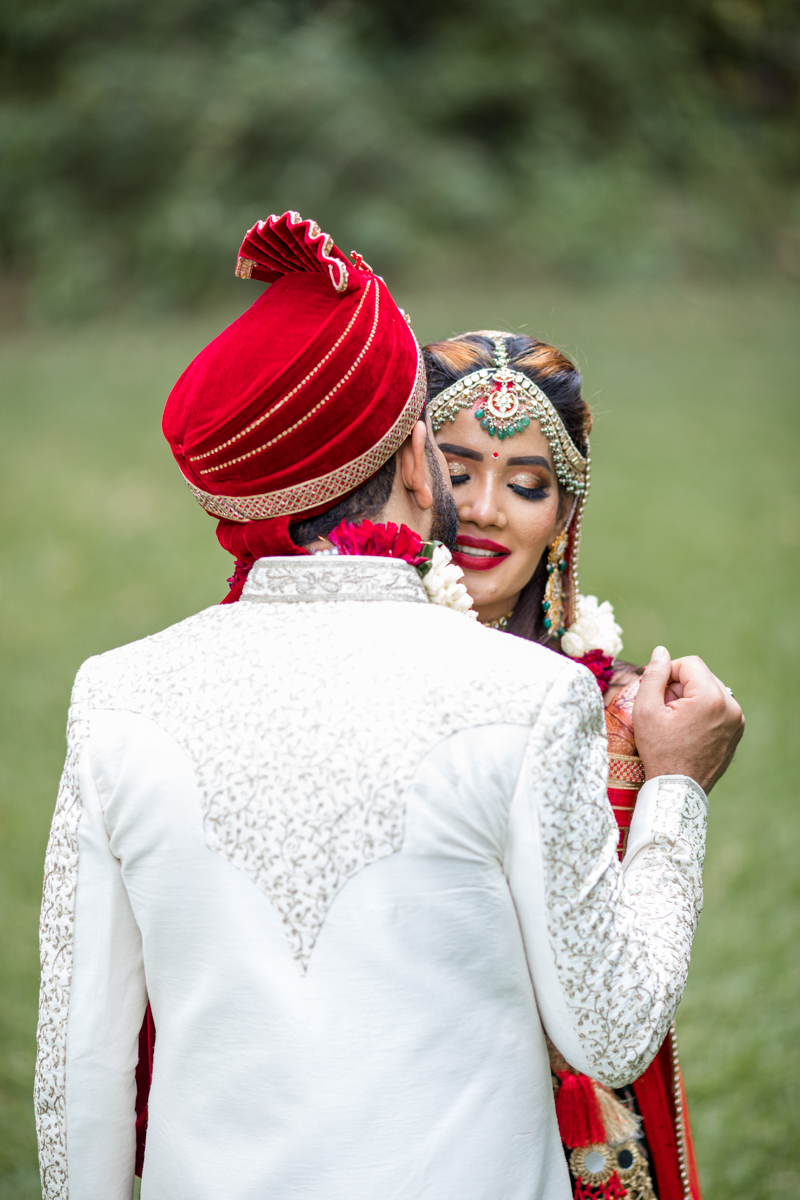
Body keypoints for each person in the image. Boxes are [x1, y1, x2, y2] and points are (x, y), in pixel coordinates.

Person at [34, 213, 743, 1200]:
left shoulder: (115, 696)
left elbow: (86, 1080)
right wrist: (672, 789)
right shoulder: (525, 696)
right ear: (417, 459)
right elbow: (613, 1027)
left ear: (232, 500)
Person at [426, 329, 743, 1199]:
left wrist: (672, 781)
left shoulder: (624, 713)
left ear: (565, 515)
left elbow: (630, 995)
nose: (485, 508)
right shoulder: (356, 678)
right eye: (457, 472)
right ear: (408, 479)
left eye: (527, 484)